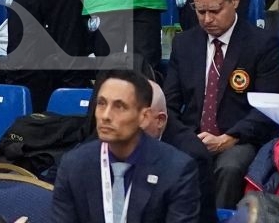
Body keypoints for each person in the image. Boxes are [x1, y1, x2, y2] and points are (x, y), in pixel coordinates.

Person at [162, 0, 279, 208]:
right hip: (193, 135)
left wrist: (230, 137)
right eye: (200, 11)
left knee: (230, 167)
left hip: (240, 138)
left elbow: (269, 107)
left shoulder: (261, 44)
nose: (207, 19)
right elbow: (169, 103)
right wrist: (188, 138)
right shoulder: (184, 44)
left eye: (215, 11)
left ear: (235, 0)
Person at [53, 69, 202, 223]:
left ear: (144, 117)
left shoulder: (176, 170)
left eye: (119, 106)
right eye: (101, 104)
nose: (105, 116)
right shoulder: (73, 166)